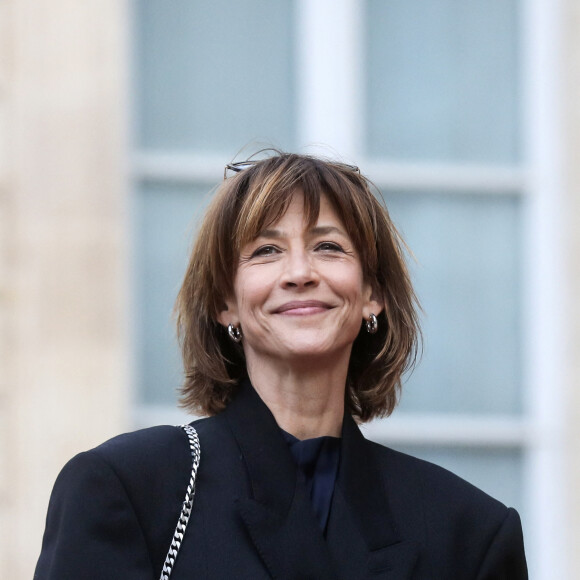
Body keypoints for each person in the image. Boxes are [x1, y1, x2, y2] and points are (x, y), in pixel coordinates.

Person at [35, 152, 528, 579]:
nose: (299, 273)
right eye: (266, 251)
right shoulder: (128, 488)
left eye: (328, 247)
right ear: (225, 302)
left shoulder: (468, 530)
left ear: (373, 295)